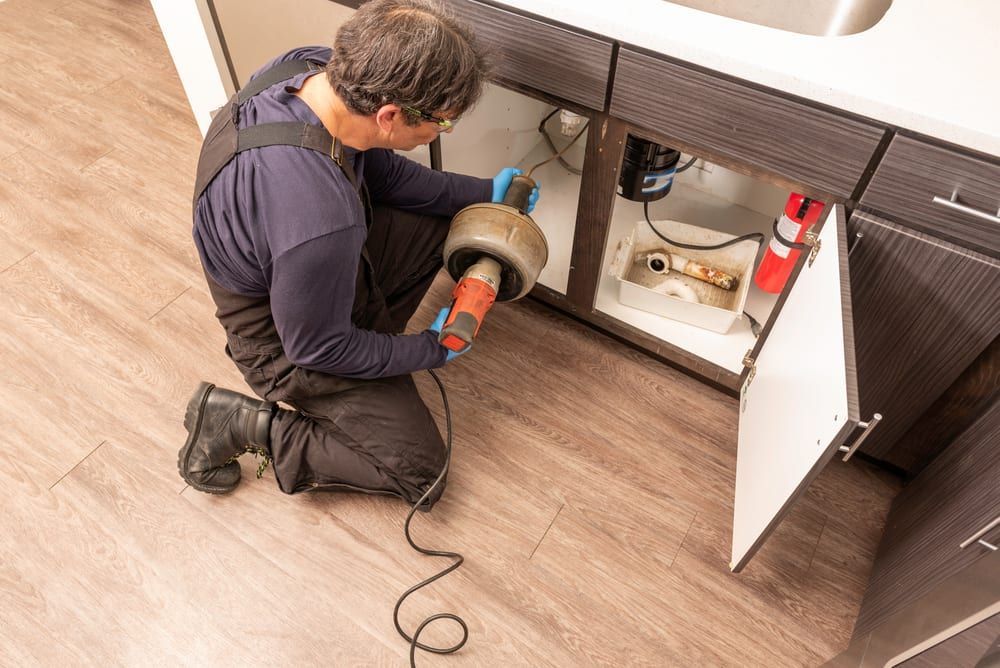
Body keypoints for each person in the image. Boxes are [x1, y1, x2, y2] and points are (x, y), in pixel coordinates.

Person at [178, 0, 539, 510]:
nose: (442, 132)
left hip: (308, 274)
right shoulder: (321, 217)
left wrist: (484, 192)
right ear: (390, 115)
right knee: (422, 474)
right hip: (282, 345)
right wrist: (430, 349)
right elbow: (317, 350)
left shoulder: (310, 70)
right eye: (444, 124)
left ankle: (369, 359)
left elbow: (384, 173)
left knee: (454, 222)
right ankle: (241, 423)